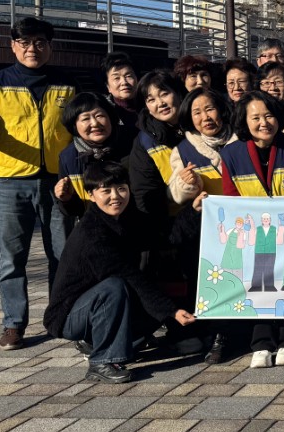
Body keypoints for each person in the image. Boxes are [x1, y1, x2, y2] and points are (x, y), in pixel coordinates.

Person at [0, 17, 75, 350]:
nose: (33, 48)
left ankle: (62, 318)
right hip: (9, 181)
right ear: (13, 46)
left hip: (57, 181)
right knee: (10, 257)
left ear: (50, 46)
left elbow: (81, 127)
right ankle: (13, 324)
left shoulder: (67, 84)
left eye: (40, 42)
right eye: (25, 42)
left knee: (62, 254)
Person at [43, 162, 196, 384]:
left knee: (151, 297)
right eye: (106, 191)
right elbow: (129, 277)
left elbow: (164, 238)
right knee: (114, 287)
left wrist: (193, 211)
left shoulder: (128, 218)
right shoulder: (91, 233)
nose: (115, 196)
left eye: (121, 189)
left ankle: (97, 341)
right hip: (69, 315)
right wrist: (171, 311)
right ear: (91, 195)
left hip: (102, 305)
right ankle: (102, 361)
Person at [220, 91, 284, 368]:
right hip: (254, 235)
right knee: (258, 284)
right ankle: (261, 343)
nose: (264, 123)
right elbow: (231, 199)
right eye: (256, 117)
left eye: (269, 115)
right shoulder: (231, 154)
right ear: (244, 121)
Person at [169, 88, 236, 364]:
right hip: (206, 231)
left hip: (243, 227)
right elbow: (174, 196)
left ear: (221, 109)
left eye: (209, 109)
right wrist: (187, 184)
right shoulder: (183, 150)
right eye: (197, 112)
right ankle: (218, 334)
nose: (205, 117)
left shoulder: (242, 140)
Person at [128, 70, 188, 221]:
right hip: (175, 221)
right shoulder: (145, 142)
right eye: (151, 100)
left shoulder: (201, 125)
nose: (160, 103)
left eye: (164, 94)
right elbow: (144, 192)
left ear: (178, 93)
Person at [55, 92, 121, 217]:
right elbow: (75, 211)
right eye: (85, 119)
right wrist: (66, 199)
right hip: (92, 224)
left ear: (111, 118)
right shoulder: (68, 157)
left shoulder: (131, 146)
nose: (95, 123)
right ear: (74, 125)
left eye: (100, 116)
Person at [102, 52, 141, 148]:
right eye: (116, 78)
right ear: (108, 87)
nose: (124, 82)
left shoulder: (152, 106)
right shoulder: (102, 110)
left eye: (128, 76)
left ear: (137, 80)